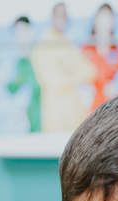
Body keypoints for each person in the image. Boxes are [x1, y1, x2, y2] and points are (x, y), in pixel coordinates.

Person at [30, 2, 96, 133]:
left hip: (75, 114)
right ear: (52, 17)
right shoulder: (42, 46)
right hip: (56, 118)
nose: (62, 18)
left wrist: (68, 73)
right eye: (59, 15)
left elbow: (90, 71)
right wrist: (74, 73)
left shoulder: (67, 42)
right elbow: (54, 82)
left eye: (65, 15)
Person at [81, 3, 118, 112]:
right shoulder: (85, 51)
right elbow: (72, 76)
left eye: (108, 19)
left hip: (108, 113)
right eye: (102, 19)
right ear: (95, 21)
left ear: (113, 22)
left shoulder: (116, 53)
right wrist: (82, 89)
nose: (104, 24)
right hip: (87, 113)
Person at [7, 16, 42, 133]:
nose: (20, 37)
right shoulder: (20, 64)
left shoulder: (41, 56)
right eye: (17, 33)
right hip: (30, 124)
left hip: (45, 121)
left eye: (23, 31)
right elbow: (16, 88)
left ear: (31, 31)